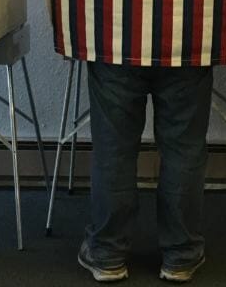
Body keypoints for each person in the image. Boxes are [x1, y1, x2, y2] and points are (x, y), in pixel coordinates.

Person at [77, 62, 212, 283]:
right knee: (184, 147)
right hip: (189, 39)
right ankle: (181, 253)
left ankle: (107, 252)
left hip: (115, 38)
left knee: (114, 146)